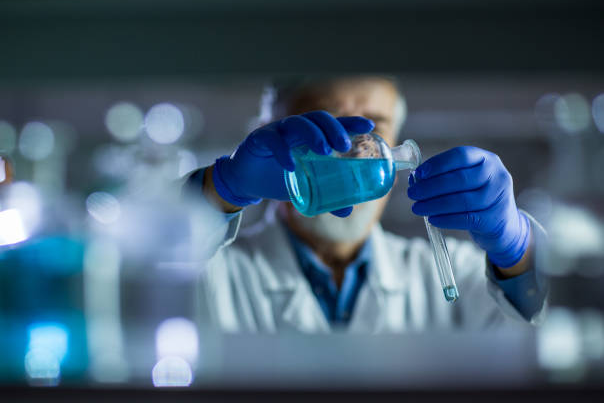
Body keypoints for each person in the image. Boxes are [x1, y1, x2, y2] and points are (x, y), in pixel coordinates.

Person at [184, 75, 547, 333]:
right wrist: (222, 187)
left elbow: (546, 334)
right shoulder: (209, 276)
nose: (355, 149)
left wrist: (517, 250)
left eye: (376, 131)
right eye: (329, 128)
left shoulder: (455, 274)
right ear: (270, 134)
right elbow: (143, 255)